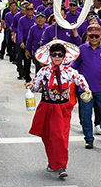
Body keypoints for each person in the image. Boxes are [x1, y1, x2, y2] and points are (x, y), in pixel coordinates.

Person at [27, 41, 91, 179]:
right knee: (48, 137)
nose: (57, 57)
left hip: (62, 108)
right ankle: (52, 162)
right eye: (54, 54)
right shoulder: (43, 71)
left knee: (61, 136)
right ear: (50, 56)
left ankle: (62, 166)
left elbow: (79, 78)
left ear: (64, 56)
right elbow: (36, 87)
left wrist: (85, 88)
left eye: (60, 55)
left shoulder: (68, 71)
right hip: (47, 106)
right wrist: (31, 86)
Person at [71, 23, 101, 148]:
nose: (94, 38)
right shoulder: (81, 49)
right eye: (92, 36)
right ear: (88, 36)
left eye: (97, 36)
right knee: (86, 115)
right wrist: (67, 69)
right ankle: (89, 138)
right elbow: (74, 65)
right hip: (85, 89)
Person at [16, 2, 36, 83]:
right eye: (28, 9)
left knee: (36, 60)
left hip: (34, 41)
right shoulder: (22, 20)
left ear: (34, 10)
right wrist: (21, 42)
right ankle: (27, 77)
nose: (29, 11)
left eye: (31, 9)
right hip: (25, 40)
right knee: (26, 59)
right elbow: (19, 31)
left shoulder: (36, 19)